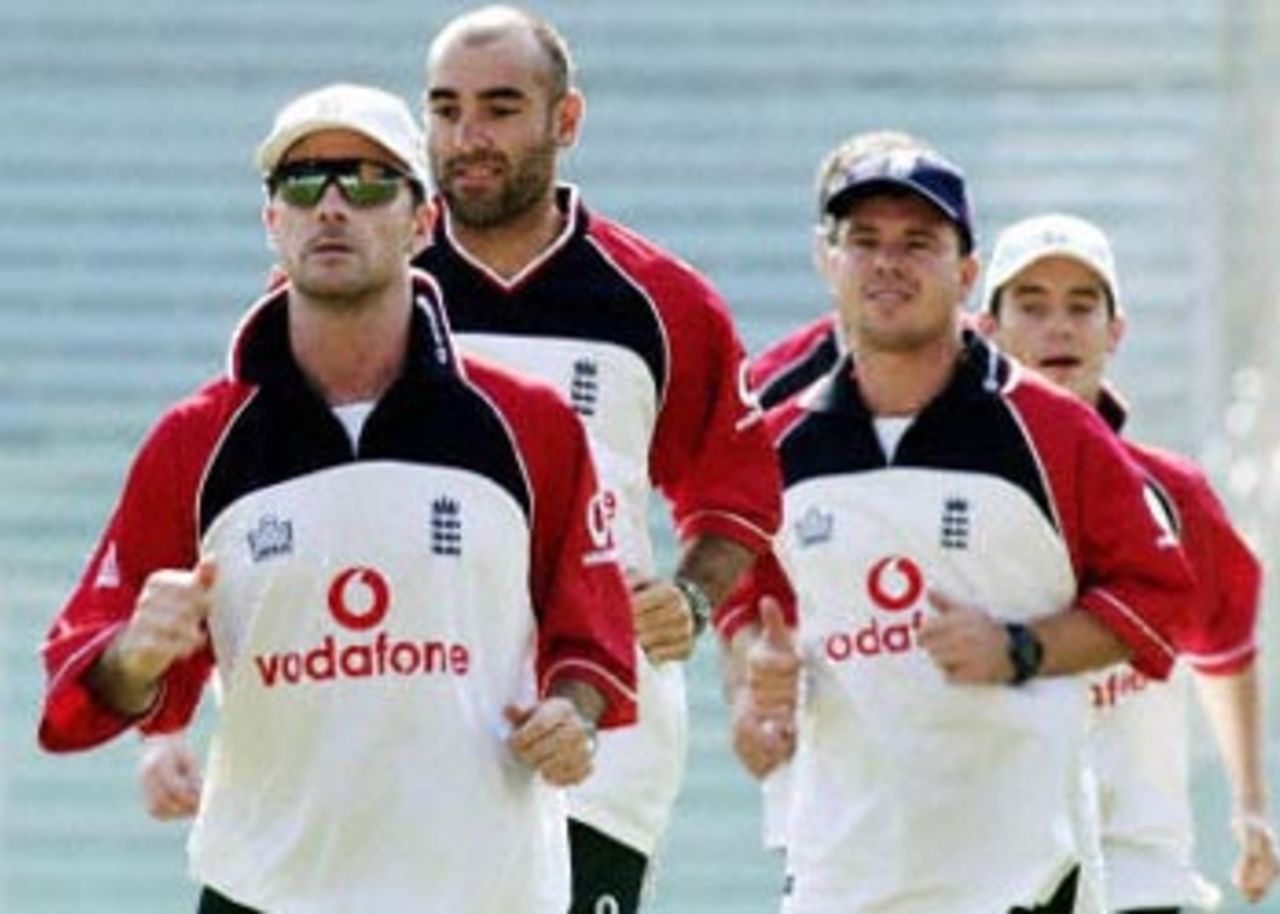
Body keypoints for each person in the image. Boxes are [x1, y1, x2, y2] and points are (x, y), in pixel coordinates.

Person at [138, 7, 783, 913]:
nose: (468, 137)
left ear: (565, 121)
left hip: (590, 744)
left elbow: (737, 485)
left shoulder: (658, 303)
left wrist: (691, 598)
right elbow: (238, 516)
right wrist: (169, 716)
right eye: (445, 110)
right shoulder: (341, 285)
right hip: (390, 735)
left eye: (500, 108)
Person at [38, 83, 638, 914]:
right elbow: (84, 685)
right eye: (301, 182)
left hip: (485, 893)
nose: (330, 205)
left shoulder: (528, 426)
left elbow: (594, 631)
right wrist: (138, 654)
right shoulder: (195, 442)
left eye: (364, 181)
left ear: (422, 222)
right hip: (268, 893)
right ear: (271, 223)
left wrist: (571, 716)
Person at [721, 133, 1195, 914]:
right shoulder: (778, 446)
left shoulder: (1053, 432)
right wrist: (752, 689)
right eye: (864, 242)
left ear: (966, 273)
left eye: (919, 243)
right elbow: (753, 608)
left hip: (1020, 876)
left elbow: (1160, 595)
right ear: (825, 260)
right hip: (842, 875)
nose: (888, 263)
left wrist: (1023, 647)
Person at [978, 212, 1279, 912]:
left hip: (1141, 873)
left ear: (1116, 330)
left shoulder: (1172, 494)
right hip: (995, 868)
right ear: (986, 330)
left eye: (1083, 307)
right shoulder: (943, 490)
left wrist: (1251, 805)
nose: (1060, 327)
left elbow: (1224, 645)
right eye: (1033, 306)